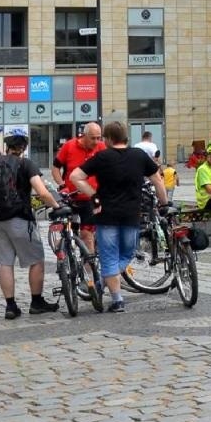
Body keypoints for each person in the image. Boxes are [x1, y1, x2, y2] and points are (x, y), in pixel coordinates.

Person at [70, 121, 167, 313]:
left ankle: (113, 294)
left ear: (108, 139)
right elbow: (157, 179)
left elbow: (75, 176)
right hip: (131, 215)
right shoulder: (139, 156)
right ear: (125, 137)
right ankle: (113, 293)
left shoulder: (102, 157)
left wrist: (93, 195)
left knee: (109, 257)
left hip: (106, 216)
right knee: (127, 253)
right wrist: (164, 203)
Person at [0, 129, 60, 320]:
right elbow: (42, 192)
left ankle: (10, 306)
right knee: (36, 260)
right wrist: (56, 206)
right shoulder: (26, 164)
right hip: (20, 219)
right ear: (23, 148)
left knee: (6, 263)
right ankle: (36, 302)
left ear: (7, 147)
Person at [52, 122, 106, 254]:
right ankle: (64, 260)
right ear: (84, 135)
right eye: (93, 138)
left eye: (99, 138)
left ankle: (89, 266)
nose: (96, 141)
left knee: (87, 234)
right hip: (70, 197)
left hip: (90, 198)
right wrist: (62, 184)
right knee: (68, 232)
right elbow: (55, 168)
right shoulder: (69, 146)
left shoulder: (101, 147)